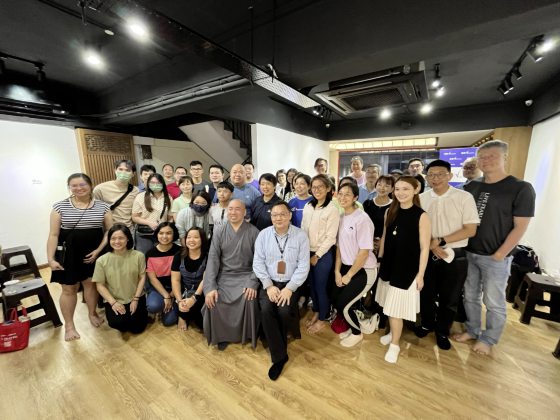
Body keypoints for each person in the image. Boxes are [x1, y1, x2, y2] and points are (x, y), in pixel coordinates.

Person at [454, 140, 535, 355]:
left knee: (493, 301)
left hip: (495, 256)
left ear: (505, 157)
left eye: (492, 156)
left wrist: (501, 253)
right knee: (469, 296)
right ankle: (472, 330)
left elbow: (520, 226)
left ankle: (489, 339)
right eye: (482, 157)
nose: (486, 160)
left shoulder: (521, 188)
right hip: (469, 252)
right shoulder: (472, 186)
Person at [415, 160, 479, 350]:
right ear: (427, 177)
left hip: (454, 255)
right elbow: (416, 227)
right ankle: (427, 323)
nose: (435, 178)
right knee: (425, 293)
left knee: (450, 297)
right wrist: (432, 245)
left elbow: (470, 230)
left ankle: (442, 331)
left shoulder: (464, 197)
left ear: (450, 176)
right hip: (427, 253)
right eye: (431, 175)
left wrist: (440, 241)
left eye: (440, 174)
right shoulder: (421, 198)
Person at [47, 173, 113, 341]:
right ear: (69, 188)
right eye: (74, 185)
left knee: (91, 284)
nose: (79, 188)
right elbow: (53, 234)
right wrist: (50, 259)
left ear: (90, 185)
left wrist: (98, 250)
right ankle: (69, 326)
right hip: (68, 254)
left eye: (82, 184)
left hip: (93, 252)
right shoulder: (59, 207)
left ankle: (92, 313)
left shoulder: (103, 207)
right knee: (69, 289)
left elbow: (109, 231)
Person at [375, 176, 431, 363]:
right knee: (389, 305)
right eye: (397, 189)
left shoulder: (421, 216)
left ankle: (395, 344)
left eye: (405, 189)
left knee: (396, 309)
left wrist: (421, 274)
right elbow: (385, 237)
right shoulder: (390, 211)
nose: (400, 193)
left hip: (407, 269)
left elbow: (425, 248)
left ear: (416, 189)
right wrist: (380, 259)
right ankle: (392, 334)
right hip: (389, 265)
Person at [253, 201, 310, 380]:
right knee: (266, 309)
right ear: (271, 217)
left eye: (282, 214)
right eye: (275, 215)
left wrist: (290, 288)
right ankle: (280, 357)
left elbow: (303, 266)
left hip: (290, 283)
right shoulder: (263, 235)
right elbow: (258, 263)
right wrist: (268, 285)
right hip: (269, 282)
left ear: (290, 215)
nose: (278, 218)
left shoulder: (301, 236)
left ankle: (277, 348)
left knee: (284, 311)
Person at [203, 199, 261, 350]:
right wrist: (210, 287)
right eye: (230, 209)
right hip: (224, 276)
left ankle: (245, 334)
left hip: (246, 275)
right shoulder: (219, 231)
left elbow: (259, 261)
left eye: (237, 209)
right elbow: (213, 259)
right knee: (215, 298)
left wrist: (252, 282)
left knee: (248, 298)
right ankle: (221, 336)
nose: (233, 212)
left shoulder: (254, 232)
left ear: (244, 212)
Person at [333, 183, 377, 347]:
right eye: (340, 193)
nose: (343, 197)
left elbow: (364, 252)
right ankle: (353, 327)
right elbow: (339, 248)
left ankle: (357, 333)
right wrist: (337, 271)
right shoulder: (341, 217)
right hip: (346, 267)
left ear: (355, 198)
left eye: (347, 194)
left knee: (344, 304)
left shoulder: (362, 219)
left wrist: (349, 275)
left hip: (364, 270)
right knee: (337, 300)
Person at [301, 174, 340, 334]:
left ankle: (323, 318)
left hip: (322, 254)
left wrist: (317, 255)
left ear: (328, 188)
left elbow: (331, 238)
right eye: (314, 187)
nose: (316, 190)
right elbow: (303, 228)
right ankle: (317, 311)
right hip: (307, 251)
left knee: (321, 287)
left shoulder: (332, 209)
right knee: (312, 286)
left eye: (320, 187)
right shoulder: (308, 206)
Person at [93, 224, 148, 334]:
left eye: (121, 238)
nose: (117, 242)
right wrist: (113, 303)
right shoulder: (101, 260)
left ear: (128, 239)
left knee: (137, 329)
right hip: (115, 299)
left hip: (135, 297)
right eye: (113, 238)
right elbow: (100, 285)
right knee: (118, 324)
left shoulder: (139, 256)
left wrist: (136, 299)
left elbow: (142, 277)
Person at [171, 227, 208, 331]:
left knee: (202, 325)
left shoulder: (208, 256)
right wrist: (179, 301)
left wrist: (194, 298)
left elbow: (205, 280)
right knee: (169, 320)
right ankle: (182, 314)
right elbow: (175, 280)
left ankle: (188, 314)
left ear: (202, 240)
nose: (191, 240)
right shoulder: (178, 256)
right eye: (189, 237)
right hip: (184, 291)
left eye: (196, 237)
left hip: (201, 292)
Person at [145, 222, 182, 326]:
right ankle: (161, 303)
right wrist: (166, 296)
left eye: (168, 233)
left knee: (169, 321)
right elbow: (152, 279)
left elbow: (182, 277)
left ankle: (168, 306)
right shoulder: (150, 253)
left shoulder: (180, 251)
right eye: (161, 233)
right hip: (158, 288)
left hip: (176, 289)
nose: (164, 236)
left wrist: (172, 294)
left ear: (174, 234)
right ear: (157, 234)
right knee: (153, 306)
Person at [132, 173, 173, 254]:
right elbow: (135, 217)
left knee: (160, 257)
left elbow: (170, 218)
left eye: (158, 183)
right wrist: (149, 223)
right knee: (144, 256)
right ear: (148, 184)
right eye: (152, 183)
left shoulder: (168, 197)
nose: (155, 185)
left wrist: (167, 227)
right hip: (144, 234)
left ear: (163, 184)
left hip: (161, 234)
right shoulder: (140, 197)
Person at [93, 159, 139, 229]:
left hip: (129, 230)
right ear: (115, 170)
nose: (123, 172)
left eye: (127, 170)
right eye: (120, 169)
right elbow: (94, 210)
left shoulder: (135, 190)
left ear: (133, 174)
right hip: (109, 231)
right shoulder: (100, 189)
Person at [363, 175, 395, 255]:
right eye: (379, 184)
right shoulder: (367, 204)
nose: (382, 188)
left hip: (387, 245)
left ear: (392, 189)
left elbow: (394, 227)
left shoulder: (394, 206)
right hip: (367, 243)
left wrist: (382, 241)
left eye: (386, 186)